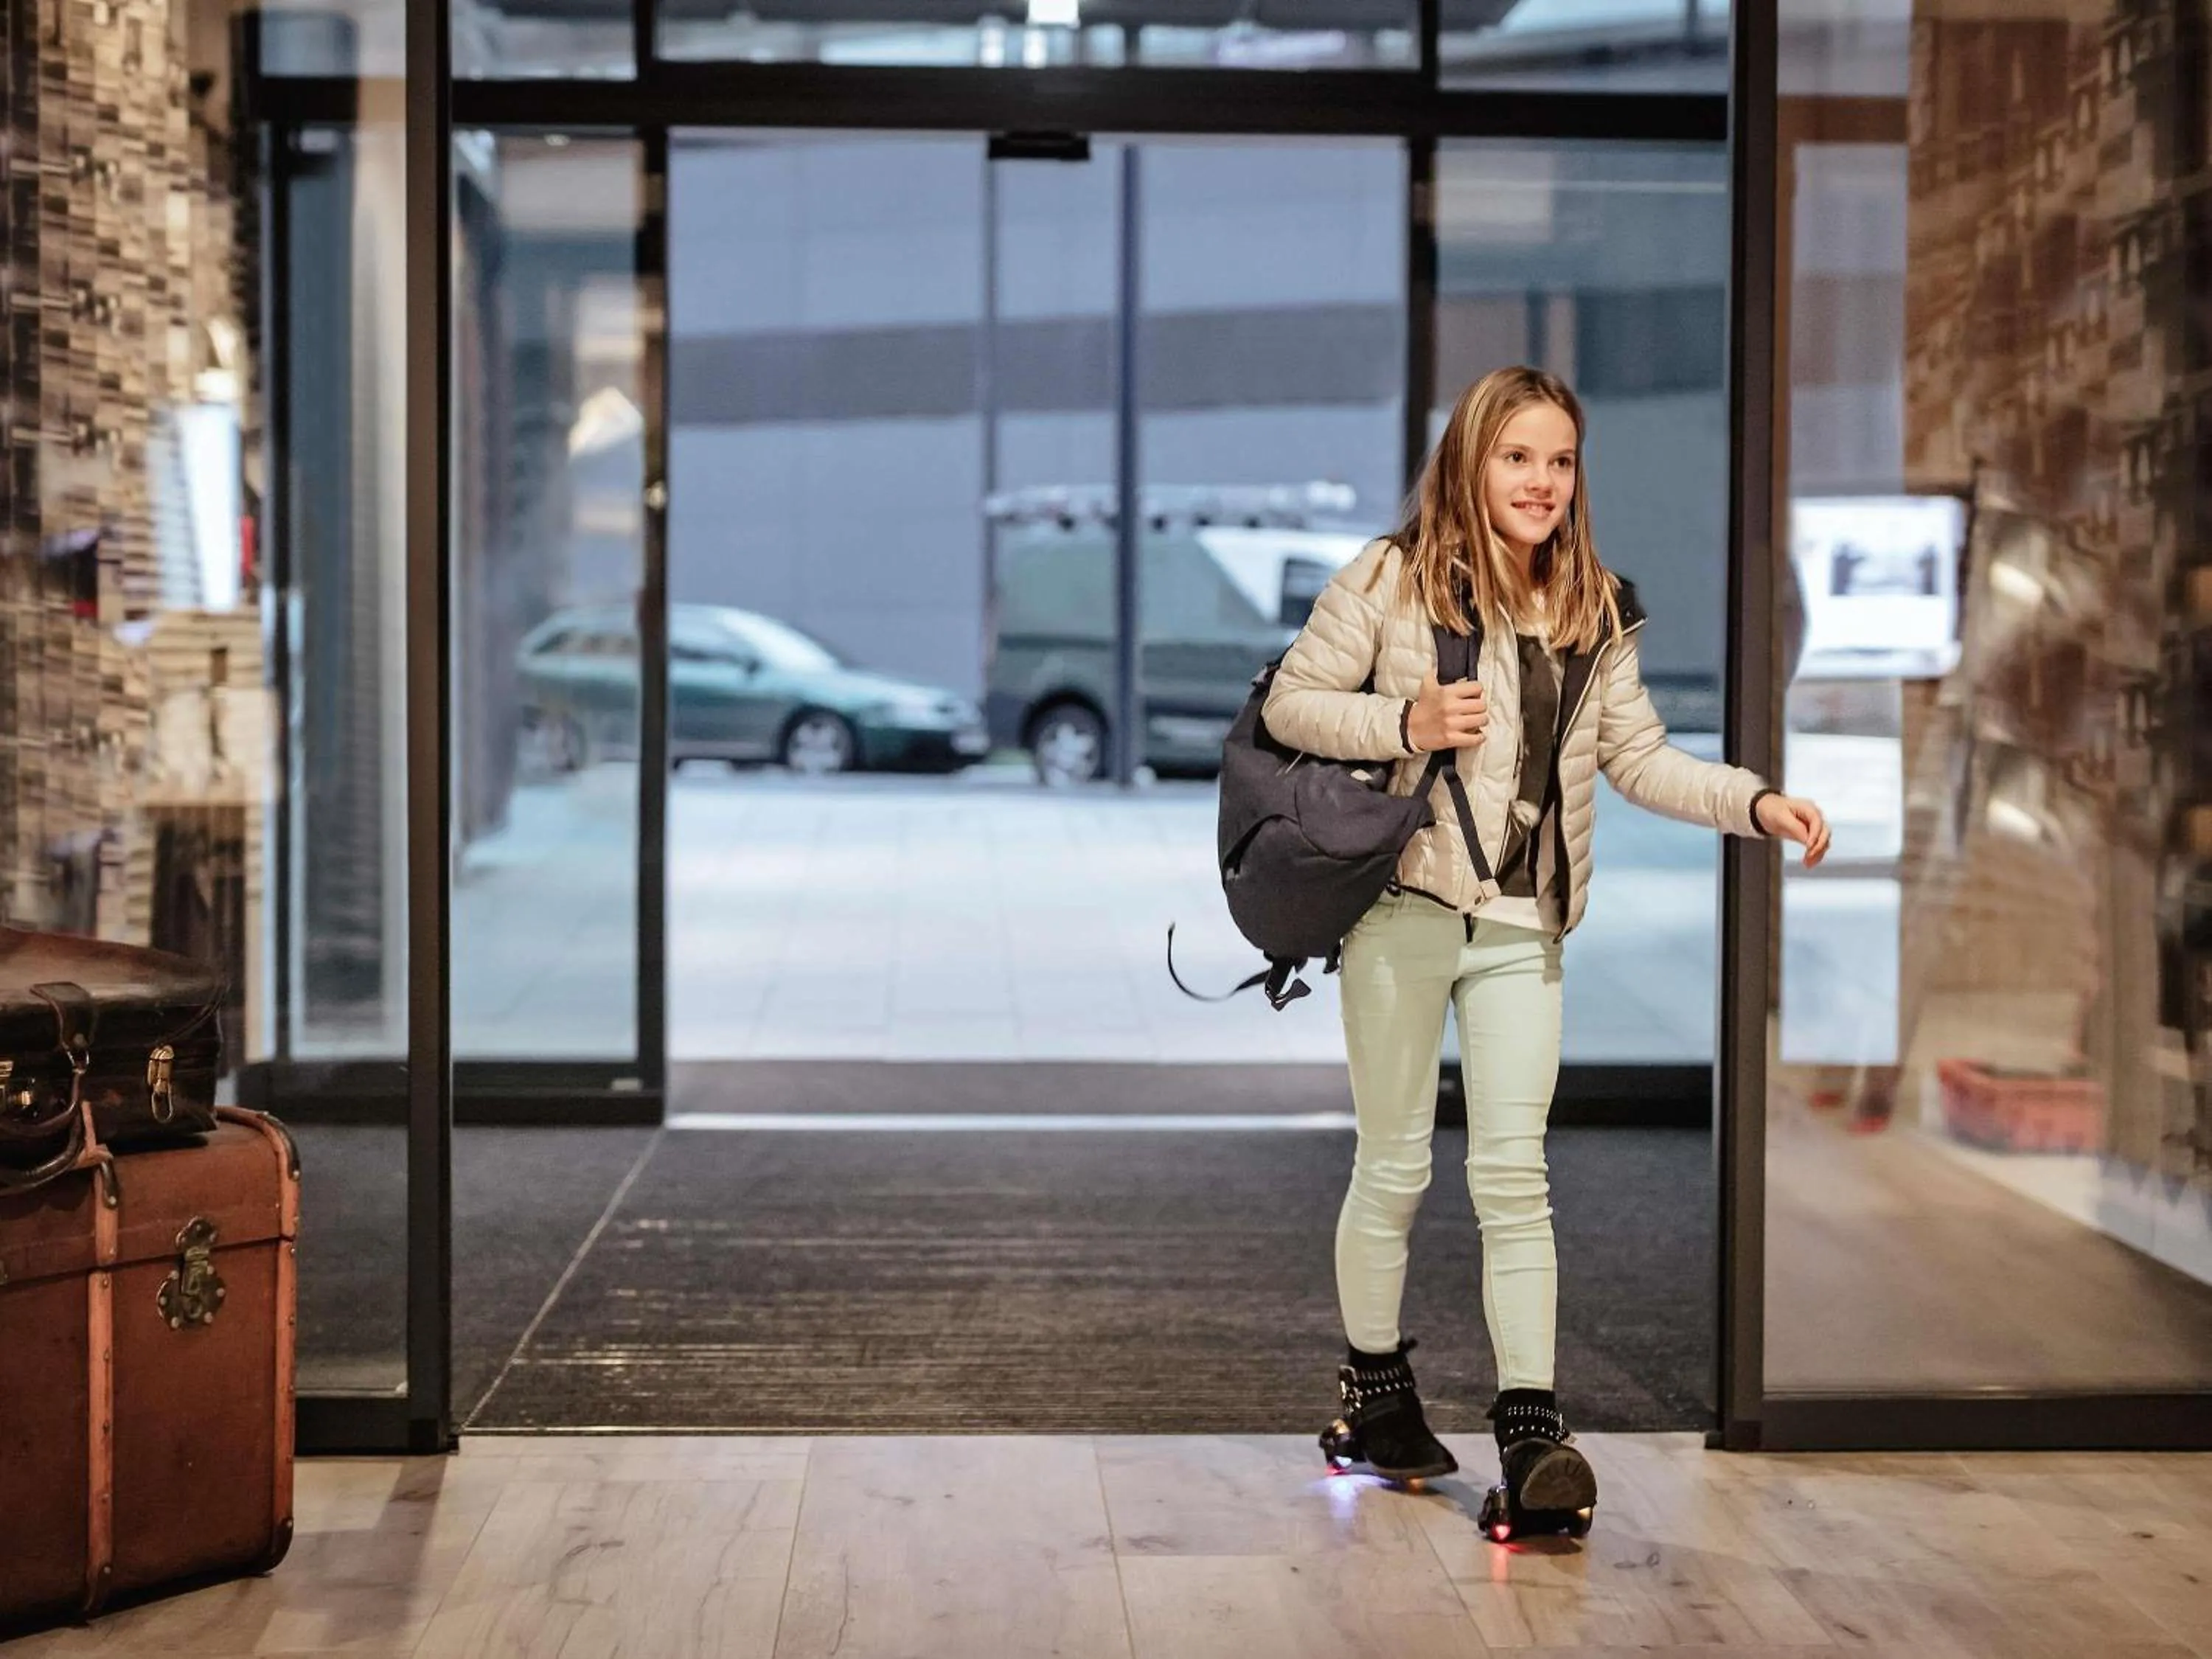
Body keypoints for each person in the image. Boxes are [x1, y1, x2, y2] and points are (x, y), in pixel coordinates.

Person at [1267, 365, 1829, 1539]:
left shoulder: (1593, 605)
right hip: (1404, 912)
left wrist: (1755, 802)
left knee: (1515, 1177)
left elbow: (1640, 757)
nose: (1541, 482)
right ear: (1472, 461)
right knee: (1398, 1166)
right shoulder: (1389, 577)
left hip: (1524, 924)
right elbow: (1293, 705)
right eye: (1518, 456)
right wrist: (1406, 723)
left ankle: (1531, 1430)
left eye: (1560, 461)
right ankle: (1373, 1391)